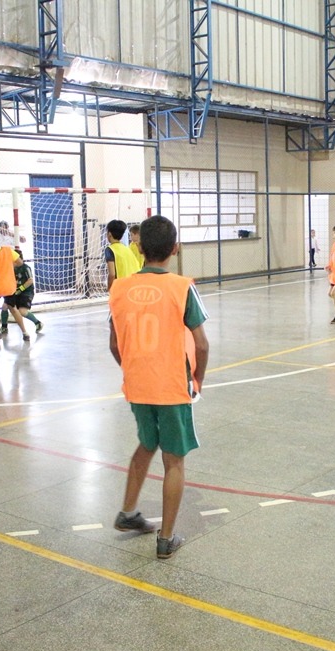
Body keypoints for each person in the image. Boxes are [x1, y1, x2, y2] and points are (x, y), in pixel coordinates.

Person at [108, 215, 210, 560]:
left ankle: (128, 512)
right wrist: (198, 380)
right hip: (170, 386)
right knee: (174, 461)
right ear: (175, 248)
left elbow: (113, 343)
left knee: (146, 442)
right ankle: (166, 538)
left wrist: (134, 369)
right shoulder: (181, 287)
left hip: (137, 384)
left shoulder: (119, 288)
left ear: (138, 246)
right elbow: (202, 344)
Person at [0, 250, 43, 334]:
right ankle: (4, 327)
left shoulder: (26, 268)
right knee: (4, 306)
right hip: (16, 292)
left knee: (22, 311)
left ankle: (38, 323)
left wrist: (21, 289)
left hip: (26, 292)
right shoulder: (12, 268)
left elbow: (30, 281)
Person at [104, 219, 141, 290]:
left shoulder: (110, 249)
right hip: (135, 286)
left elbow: (112, 274)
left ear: (109, 234)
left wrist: (109, 288)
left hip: (122, 288)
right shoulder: (127, 249)